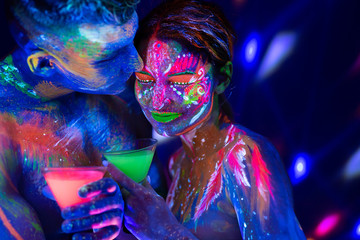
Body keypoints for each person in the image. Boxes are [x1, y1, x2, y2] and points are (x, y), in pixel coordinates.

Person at [107, 0, 307, 239]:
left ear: (222, 77)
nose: (158, 101)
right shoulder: (178, 162)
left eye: (179, 82)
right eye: (146, 80)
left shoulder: (244, 156)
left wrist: (165, 232)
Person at [0, 0, 154, 239]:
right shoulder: (5, 132)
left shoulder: (124, 87)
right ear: (44, 63)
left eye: (131, 40)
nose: (138, 63)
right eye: (107, 57)